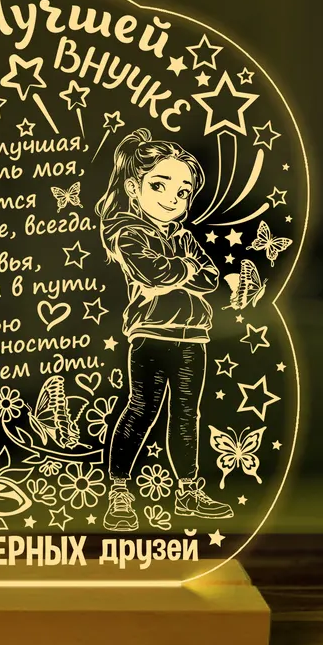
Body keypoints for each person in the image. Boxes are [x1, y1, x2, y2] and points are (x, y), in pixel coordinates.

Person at [96, 128, 233, 530]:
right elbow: (154, 274)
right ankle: (119, 491)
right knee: (141, 410)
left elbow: (210, 278)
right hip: (151, 335)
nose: (173, 198)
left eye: (183, 192)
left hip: (193, 337)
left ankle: (188, 490)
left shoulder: (184, 236)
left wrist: (182, 270)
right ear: (133, 188)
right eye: (160, 185)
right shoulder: (127, 232)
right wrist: (184, 269)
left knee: (187, 415)